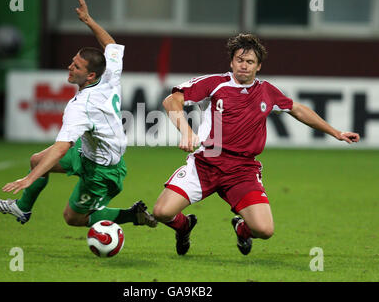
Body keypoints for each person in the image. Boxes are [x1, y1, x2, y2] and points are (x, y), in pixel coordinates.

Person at [152, 33, 359, 256]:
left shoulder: (266, 91)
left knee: (265, 230)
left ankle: (241, 230)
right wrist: (186, 131)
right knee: (161, 212)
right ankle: (184, 226)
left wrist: (336, 132)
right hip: (206, 164)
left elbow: (297, 109)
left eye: (250, 62)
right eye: (239, 60)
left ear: (258, 66)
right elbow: (171, 101)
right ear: (231, 62)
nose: (244, 66)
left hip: (242, 170)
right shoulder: (214, 84)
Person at [0, 0, 157, 229]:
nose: (69, 67)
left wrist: (28, 179)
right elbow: (111, 44)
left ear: (90, 75)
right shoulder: (108, 74)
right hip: (86, 151)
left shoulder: (81, 107)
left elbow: (60, 148)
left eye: (76, 66)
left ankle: (131, 215)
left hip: (102, 170)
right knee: (37, 160)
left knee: (73, 218)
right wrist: (88, 20)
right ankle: (23, 207)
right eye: (72, 61)